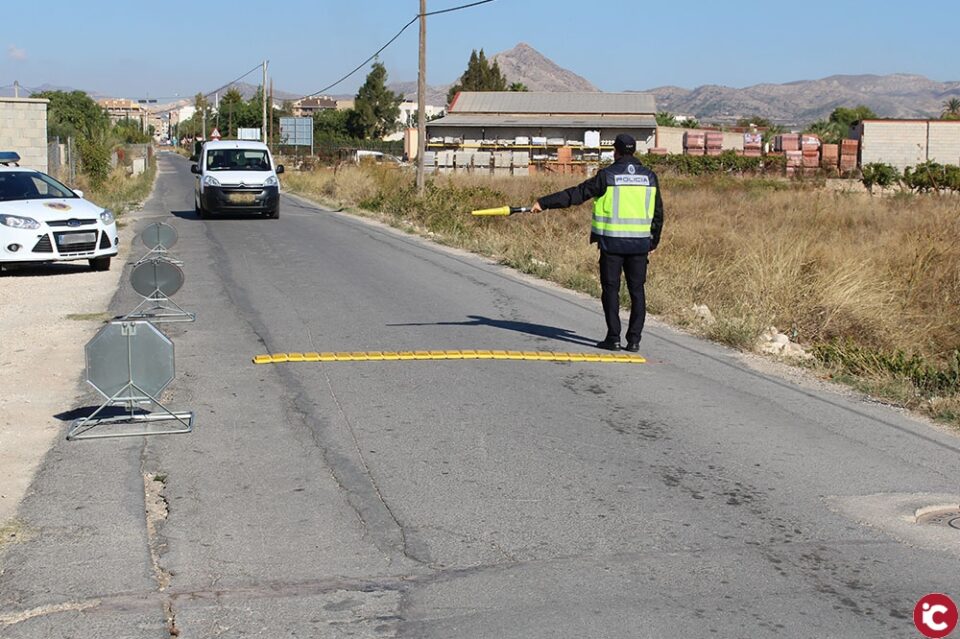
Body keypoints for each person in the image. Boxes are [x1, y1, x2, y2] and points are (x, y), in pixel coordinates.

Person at [531, 134, 663, 352]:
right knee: (637, 291)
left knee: (611, 290)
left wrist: (543, 203)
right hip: (639, 245)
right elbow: (658, 213)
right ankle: (634, 340)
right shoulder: (649, 177)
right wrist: (653, 240)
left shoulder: (608, 176)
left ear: (616, 151)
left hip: (612, 245)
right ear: (634, 151)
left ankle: (613, 338)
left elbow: (576, 195)